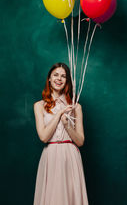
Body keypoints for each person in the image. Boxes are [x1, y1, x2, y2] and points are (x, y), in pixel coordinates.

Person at [33, 62, 89, 204]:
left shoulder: (76, 106)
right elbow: (44, 137)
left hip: (70, 156)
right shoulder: (39, 106)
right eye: (56, 75)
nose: (59, 79)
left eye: (63, 76)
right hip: (50, 156)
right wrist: (58, 115)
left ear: (67, 81)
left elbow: (80, 141)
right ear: (49, 79)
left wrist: (66, 125)